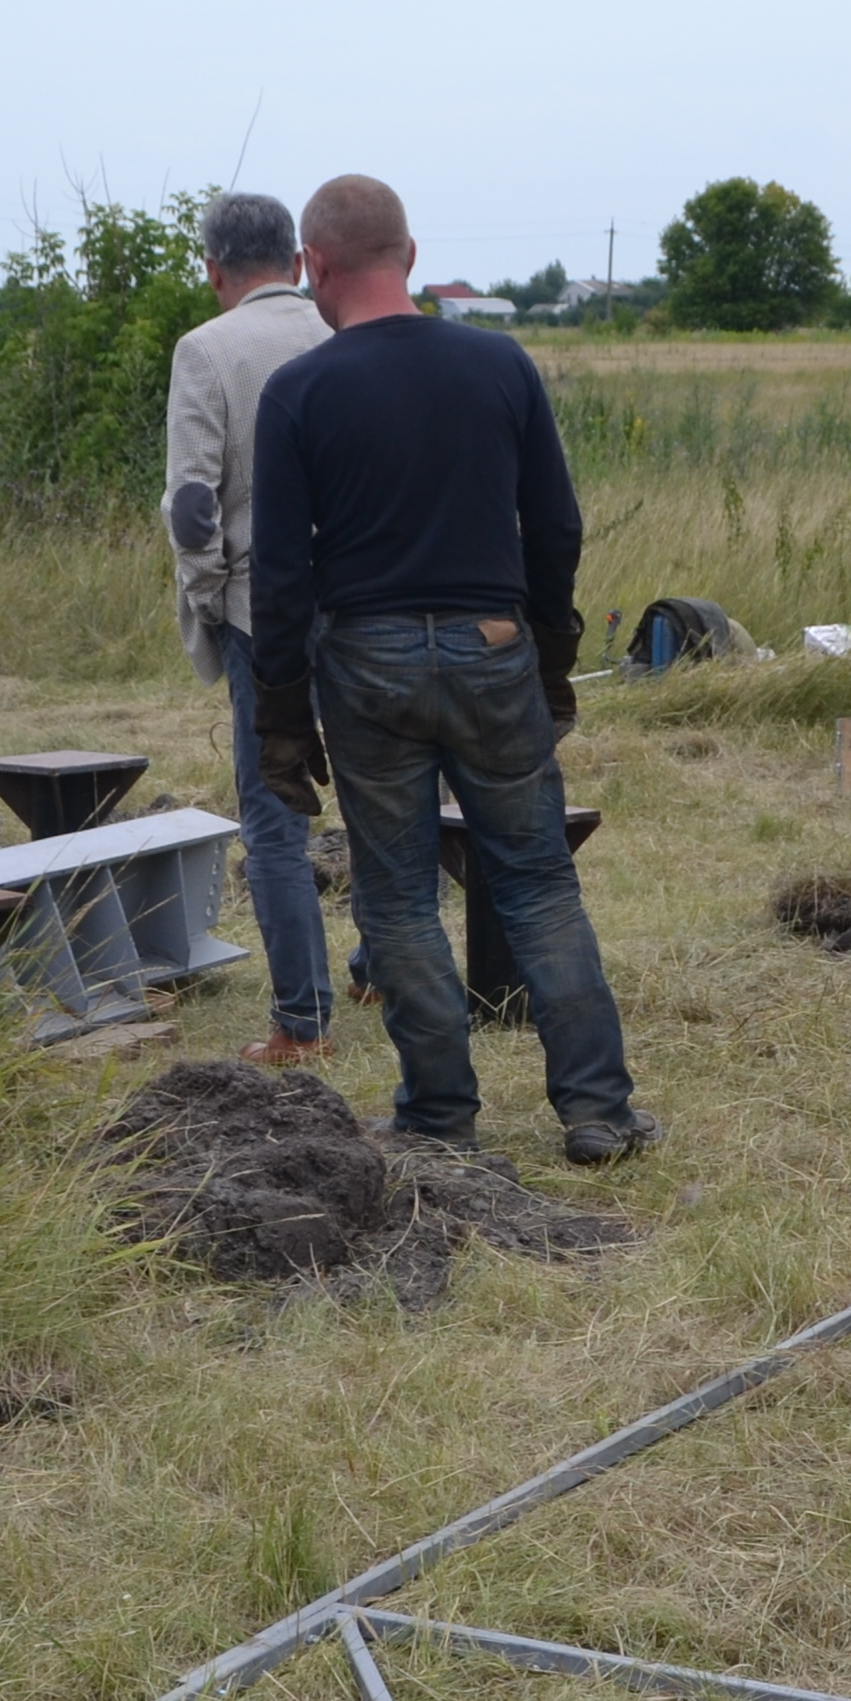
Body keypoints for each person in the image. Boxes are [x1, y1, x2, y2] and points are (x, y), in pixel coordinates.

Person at [249, 173, 649, 1163]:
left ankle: (437, 1114)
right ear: (412, 257)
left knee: (395, 901)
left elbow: (282, 575)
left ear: (314, 269)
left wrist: (280, 721)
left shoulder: (297, 392)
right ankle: (597, 1111)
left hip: (366, 663)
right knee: (539, 886)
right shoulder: (500, 365)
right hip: (493, 648)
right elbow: (555, 526)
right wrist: (550, 663)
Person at [163, 190, 338, 1065]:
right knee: (381, 798)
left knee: (274, 819)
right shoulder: (341, 336)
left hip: (258, 614)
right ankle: (380, 964)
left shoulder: (205, 349)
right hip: (356, 605)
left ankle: (302, 1024)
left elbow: (192, 505)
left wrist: (206, 595)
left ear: (213, 269)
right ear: (299, 264)